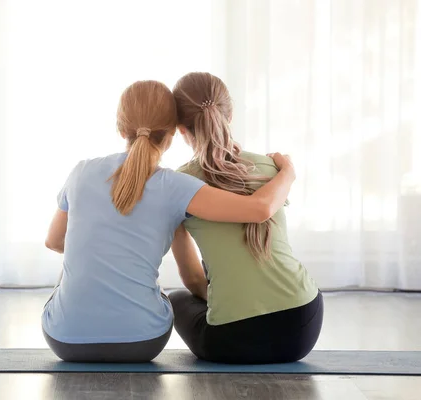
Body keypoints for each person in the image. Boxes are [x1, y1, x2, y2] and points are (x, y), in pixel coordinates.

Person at [42, 80, 296, 363]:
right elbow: (259, 209)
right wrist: (287, 172)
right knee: (169, 296)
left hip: (65, 341)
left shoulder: (81, 172)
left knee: (68, 273)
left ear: (120, 128)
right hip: (143, 343)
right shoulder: (177, 187)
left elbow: (54, 242)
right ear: (174, 132)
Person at [169, 72, 322, 364]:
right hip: (303, 326)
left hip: (232, 340)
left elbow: (191, 278)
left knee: (176, 300)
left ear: (180, 129)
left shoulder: (180, 184)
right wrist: (288, 172)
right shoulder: (271, 166)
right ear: (230, 114)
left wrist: (226, 296)